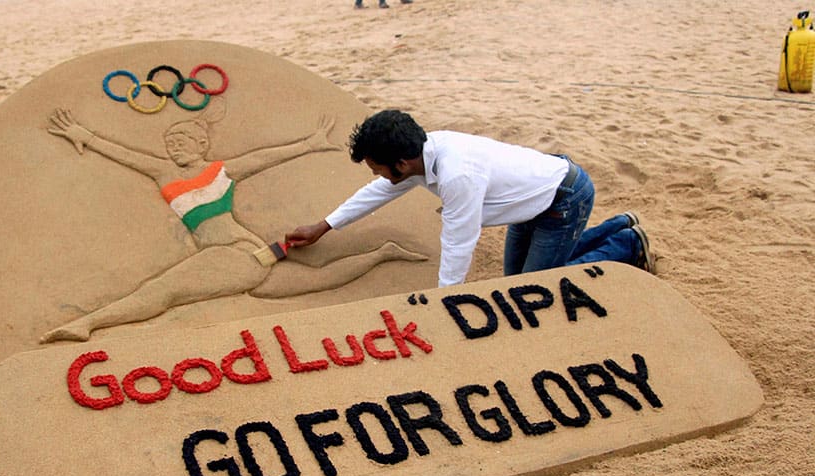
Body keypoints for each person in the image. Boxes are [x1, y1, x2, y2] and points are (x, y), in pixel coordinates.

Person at [40, 107, 425, 343]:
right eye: (171, 140)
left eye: (184, 139)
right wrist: (85, 136)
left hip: (236, 254)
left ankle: (87, 324)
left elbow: (265, 157)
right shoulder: (161, 173)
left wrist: (308, 144)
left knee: (162, 292)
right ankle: (384, 253)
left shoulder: (219, 171)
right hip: (254, 257)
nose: (175, 145)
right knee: (321, 279)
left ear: (202, 145)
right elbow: (125, 155)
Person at [285, 109, 654, 287]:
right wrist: (323, 227)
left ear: (401, 162)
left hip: (562, 199)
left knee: (528, 289)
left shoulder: (456, 174)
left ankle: (626, 243)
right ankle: (618, 224)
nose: (375, 174)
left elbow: (459, 243)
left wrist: (446, 302)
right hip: (530, 203)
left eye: (377, 167)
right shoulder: (419, 152)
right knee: (517, 277)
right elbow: (378, 192)